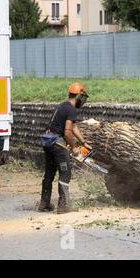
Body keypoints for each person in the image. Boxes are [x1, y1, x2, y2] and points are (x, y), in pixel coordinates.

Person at [38, 83, 92, 214]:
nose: (83, 101)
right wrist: (74, 147)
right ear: (79, 96)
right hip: (57, 144)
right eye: (83, 98)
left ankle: (44, 203)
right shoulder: (72, 109)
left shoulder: (63, 106)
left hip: (48, 142)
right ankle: (64, 206)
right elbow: (68, 132)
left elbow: (73, 127)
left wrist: (83, 142)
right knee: (65, 172)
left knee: (49, 174)